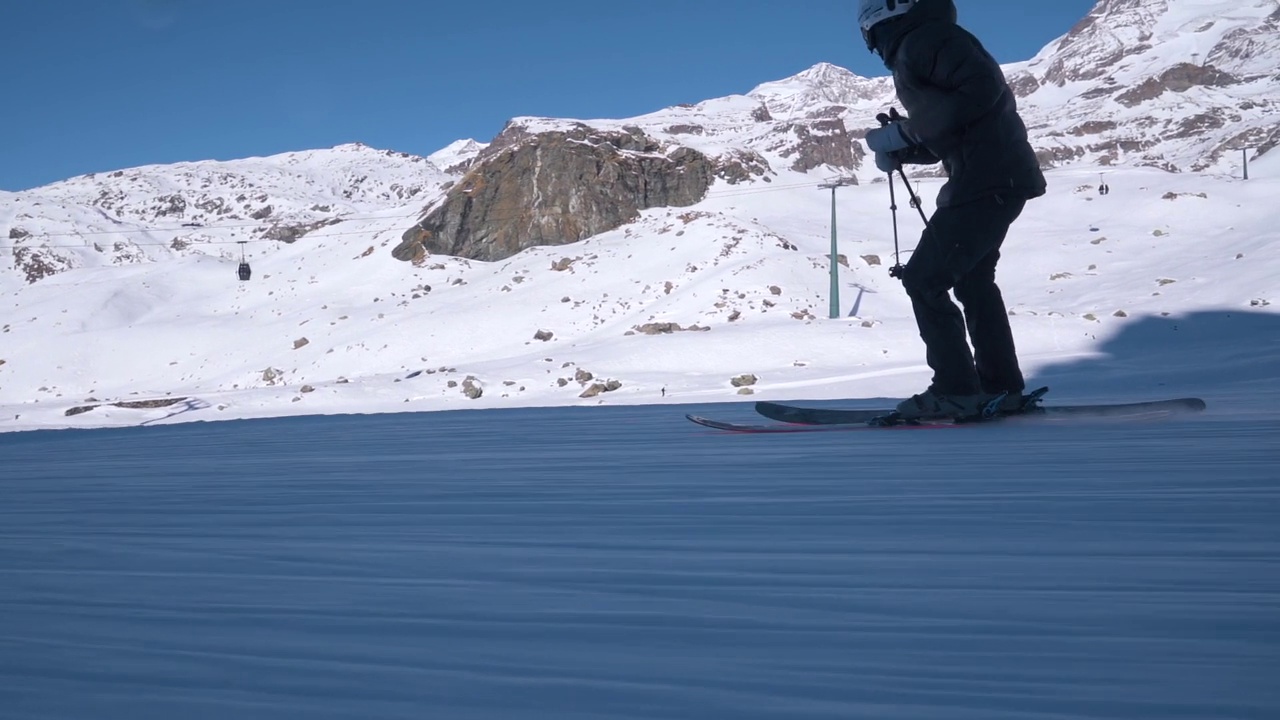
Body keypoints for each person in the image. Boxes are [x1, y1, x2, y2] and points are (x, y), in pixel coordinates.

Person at [858, 0, 1047, 419]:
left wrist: (906, 131)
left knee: (924, 279)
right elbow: (962, 121)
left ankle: (957, 390)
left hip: (983, 180)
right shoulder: (927, 40)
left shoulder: (923, 40)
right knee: (973, 281)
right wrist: (905, 146)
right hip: (997, 177)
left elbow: (979, 91)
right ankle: (1001, 387)